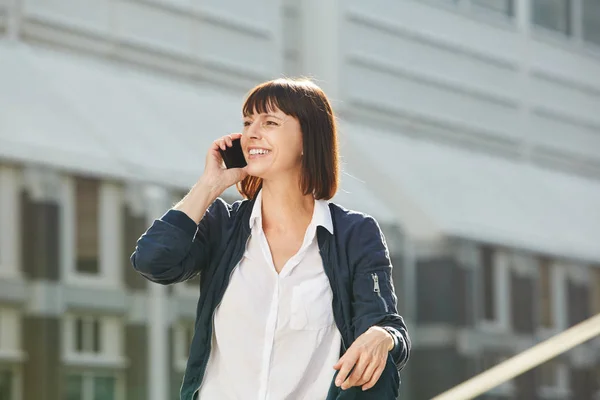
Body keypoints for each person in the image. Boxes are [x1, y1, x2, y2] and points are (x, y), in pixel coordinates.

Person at [131, 78, 410, 400]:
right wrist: (209, 185)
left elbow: (386, 326)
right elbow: (153, 262)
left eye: (270, 122)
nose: (251, 132)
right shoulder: (224, 225)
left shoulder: (354, 234)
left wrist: (383, 336)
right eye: (248, 122)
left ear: (309, 137)